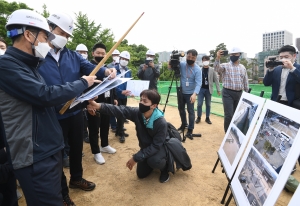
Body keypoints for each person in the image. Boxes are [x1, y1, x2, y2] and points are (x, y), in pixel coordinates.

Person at [0, 9, 98, 206]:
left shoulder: (28, 65)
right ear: (29, 34)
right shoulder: (7, 66)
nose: (48, 42)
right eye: (45, 36)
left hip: (46, 148)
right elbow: (44, 94)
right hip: (34, 155)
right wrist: (82, 83)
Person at [38, 11, 116, 202]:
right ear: (49, 29)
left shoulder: (72, 56)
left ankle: (77, 179)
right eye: (62, 33)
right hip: (51, 115)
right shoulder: (37, 55)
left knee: (76, 148)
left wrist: (108, 70)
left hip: (75, 111)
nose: (64, 38)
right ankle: (62, 193)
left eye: (67, 35)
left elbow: (91, 67)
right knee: (57, 155)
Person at [87, 89, 170, 183]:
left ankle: (165, 168)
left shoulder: (161, 122)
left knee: (154, 161)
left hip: (159, 148)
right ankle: (149, 160)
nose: (141, 103)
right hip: (146, 148)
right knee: (141, 174)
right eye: (141, 100)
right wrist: (99, 106)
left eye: (145, 101)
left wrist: (136, 157)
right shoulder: (138, 113)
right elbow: (120, 110)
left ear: (154, 105)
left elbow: (156, 146)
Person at [87, 42, 117, 165]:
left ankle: (105, 145)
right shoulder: (88, 67)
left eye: (103, 54)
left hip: (107, 101)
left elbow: (112, 84)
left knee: (105, 125)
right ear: (93, 53)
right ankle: (96, 152)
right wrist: (88, 103)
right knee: (94, 128)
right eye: (98, 53)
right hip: (94, 102)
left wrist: (114, 98)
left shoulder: (108, 68)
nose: (100, 55)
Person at [168, 49, 201, 140]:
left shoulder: (197, 69)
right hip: (181, 91)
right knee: (181, 109)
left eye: (192, 57)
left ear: (195, 58)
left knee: (190, 111)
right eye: (189, 56)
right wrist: (170, 61)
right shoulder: (182, 64)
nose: (190, 58)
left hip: (190, 94)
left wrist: (194, 94)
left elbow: (199, 83)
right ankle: (183, 125)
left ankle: (190, 129)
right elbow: (170, 69)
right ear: (186, 56)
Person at [214, 47, 249, 132]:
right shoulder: (225, 66)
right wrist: (218, 57)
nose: (233, 56)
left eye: (235, 54)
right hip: (227, 93)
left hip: (239, 93)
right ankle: (227, 133)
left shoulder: (242, 67)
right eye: (231, 54)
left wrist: (247, 92)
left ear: (239, 55)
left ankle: (234, 130)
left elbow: (245, 80)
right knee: (229, 115)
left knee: (237, 114)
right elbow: (216, 68)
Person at [195, 55, 221, 124]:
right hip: (200, 89)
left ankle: (207, 118)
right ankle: (198, 117)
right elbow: (196, 80)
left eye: (207, 60)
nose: (205, 61)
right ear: (202, 61)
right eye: (204, 60)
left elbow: (216, 80)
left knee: (208, 104)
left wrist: (218, 89)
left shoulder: (212, 70)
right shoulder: (199, 69)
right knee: (199, 104)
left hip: (209, 90)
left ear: (209, 61)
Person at [115, 51, 133, 143]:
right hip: (116, 96)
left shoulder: (128, 71)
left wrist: (131, 92)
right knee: (120, 114)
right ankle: (120, 132)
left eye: (126, 59)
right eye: (123, 58)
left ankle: (119, 130)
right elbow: (113, 84)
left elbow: (129, 83)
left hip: (124, 96)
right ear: (119, 58)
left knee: (122, 113)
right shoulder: (114, 69)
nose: (124, 61)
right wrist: (120, 91)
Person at [76, 43, 90, 143]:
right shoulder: (74, 66)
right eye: (80, 52)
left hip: (87, 95)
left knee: (85, 118)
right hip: (76, 96)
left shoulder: (88, 67)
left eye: (85, 52)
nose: (83, 54)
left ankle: (85, 134)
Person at [107, 49, 120, 132]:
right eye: (114, 55)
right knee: (109, 108)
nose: (115, 56)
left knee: (117, 110)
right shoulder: (108, 66)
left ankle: (117, 126)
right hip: (109, 90)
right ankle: (112, 125)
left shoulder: (120, 66)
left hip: (118, 90)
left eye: (117, 55)